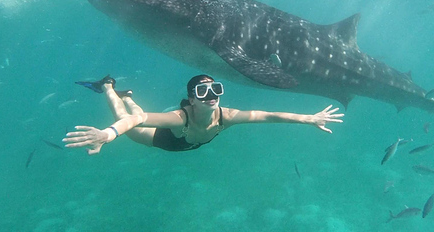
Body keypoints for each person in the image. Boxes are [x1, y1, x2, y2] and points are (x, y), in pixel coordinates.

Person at [64, 74, 344, 154]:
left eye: (215, 90)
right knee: (133, 120)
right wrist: (108, 133)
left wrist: (310, 119)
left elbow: (267, 115)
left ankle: (127, 96)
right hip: (162, 140)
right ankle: (109, 87)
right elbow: (136, 121)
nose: (211, 97)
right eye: (202, 92)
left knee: (137, 108)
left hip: (186, 140)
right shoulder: (179, 117)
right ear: (190, 100)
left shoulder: (228, 115)